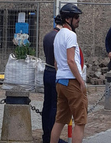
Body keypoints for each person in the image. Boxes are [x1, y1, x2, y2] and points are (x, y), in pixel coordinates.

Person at [50, 3, 86, 143]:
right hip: (72, 81)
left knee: (59, 120)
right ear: (67, 19)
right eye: (76, 17)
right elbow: (71, 61)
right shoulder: (70, 35)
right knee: (80, 121)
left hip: (60, 80)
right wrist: (81, 81)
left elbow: (56, 63)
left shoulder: (57, 36)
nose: (78, 19)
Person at [41, 14, 68, 143]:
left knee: (46, 105)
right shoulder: (59, 37)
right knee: (54, 106)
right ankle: (52, 137)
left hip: (47, 70)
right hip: (55, 72)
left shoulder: (47, 36)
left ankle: (46, 134)